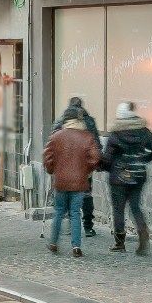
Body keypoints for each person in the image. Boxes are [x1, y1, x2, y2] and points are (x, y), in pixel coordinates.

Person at [102, 100, 152, 254]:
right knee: (136, 207)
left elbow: (108, 158)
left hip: (118, 177)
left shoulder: (116, 134)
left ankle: (120, 243)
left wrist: (106, 167)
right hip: (139, 174)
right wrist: (143, 160)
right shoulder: (143, 131)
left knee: (118, 210)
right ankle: (143, 235)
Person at [41, 110, 100, 257]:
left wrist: (51, 170)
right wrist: (87, 171)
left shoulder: (56, 136)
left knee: (59, 212)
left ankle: (54, 243)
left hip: (61, 181)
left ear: (66, 121)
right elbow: (95, 158)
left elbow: (47, 157)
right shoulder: (87, 136)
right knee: (75, 213)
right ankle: (76, 247)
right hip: (79, 182)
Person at [60, 96, 102, 237]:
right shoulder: (89, 121)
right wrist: (97, 161)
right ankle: (88, 226)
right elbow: (96, 142)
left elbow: (52, 139)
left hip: (65, 165)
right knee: (86, 194)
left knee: (66, 193)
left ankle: (71, 224)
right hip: (85, 165)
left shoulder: (62, 121)